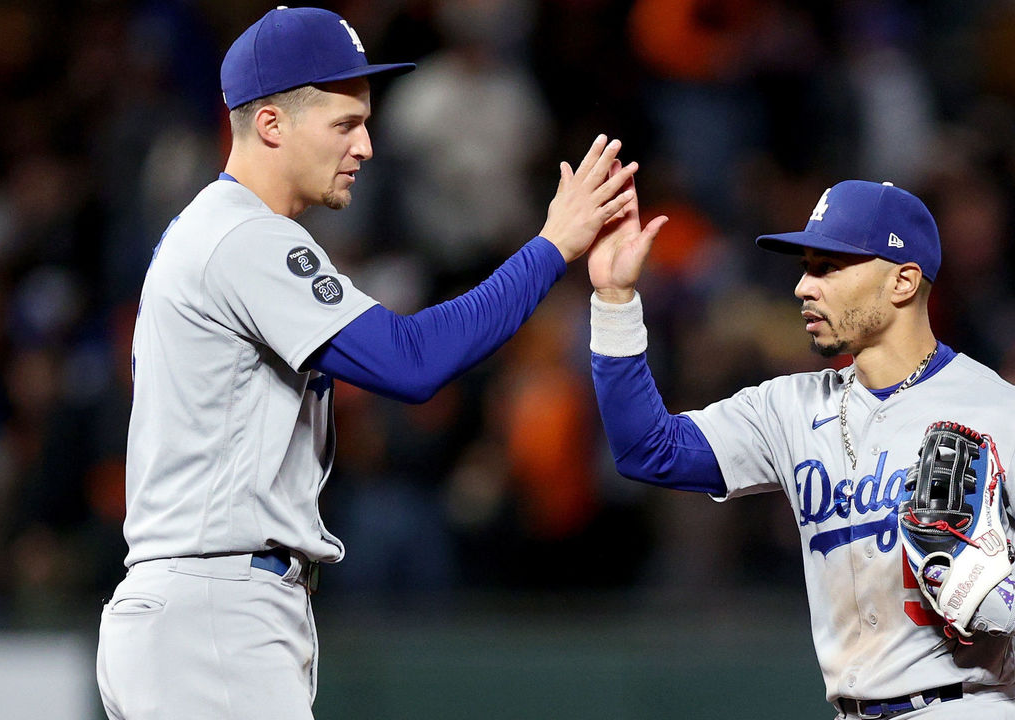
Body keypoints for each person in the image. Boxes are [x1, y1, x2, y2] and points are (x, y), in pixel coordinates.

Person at [96, 7, 640, 719]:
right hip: (213, 614)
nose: (367, 147)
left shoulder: (218, 231)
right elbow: (411, 362)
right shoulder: (242, 239)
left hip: (205, 609)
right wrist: (551, 247)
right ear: (271, 125)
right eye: (344, 124)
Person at [586, 178, 1015, 717]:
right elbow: (648, 450)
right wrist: (614, 299)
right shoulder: (789, 408)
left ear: (903, 283)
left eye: (828, 268)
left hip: (969, 705)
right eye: (806, 268)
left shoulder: (1005, 414)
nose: (804, 287)